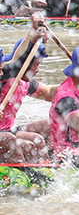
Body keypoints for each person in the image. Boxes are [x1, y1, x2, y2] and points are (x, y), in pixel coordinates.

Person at [0, 21, 54, 161]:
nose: (37, 70)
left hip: (6, 131)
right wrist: (31, 35)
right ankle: (30, 176)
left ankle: (52, 166)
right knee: (28, 144)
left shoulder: (23, 82)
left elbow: (49, 93)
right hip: (5, 136)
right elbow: (16, 61)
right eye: (35, 65)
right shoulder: (4, 76)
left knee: (47, 128)